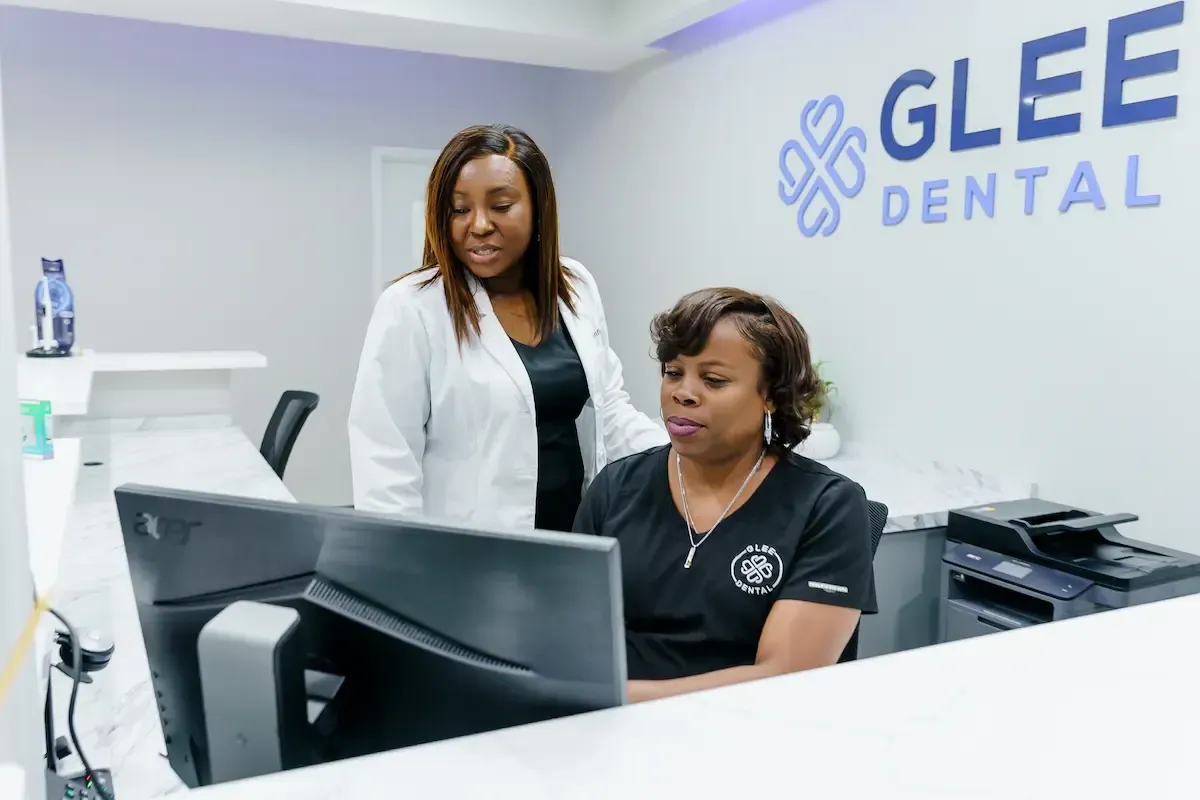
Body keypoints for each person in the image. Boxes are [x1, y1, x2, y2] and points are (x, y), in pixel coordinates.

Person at [349, 124, 667, 531]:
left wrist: (687, 453)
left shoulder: (575, 285)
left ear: (538, 207)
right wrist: (405, 567)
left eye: (500, 206)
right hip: (469, 557)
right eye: (459, 209)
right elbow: (385, 456)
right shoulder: (412, 306)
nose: (478, 224)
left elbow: (609, 412)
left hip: (574, 536)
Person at [573, 287, 877, 702]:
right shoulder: (616, 488)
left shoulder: (827, 506)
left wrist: (615, 700)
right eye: (672, 372)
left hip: (745, 739)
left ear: (770, 394)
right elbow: (571, 639)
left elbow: (785, 677)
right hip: (603, 735)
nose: (683, 393)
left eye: (713, 380)